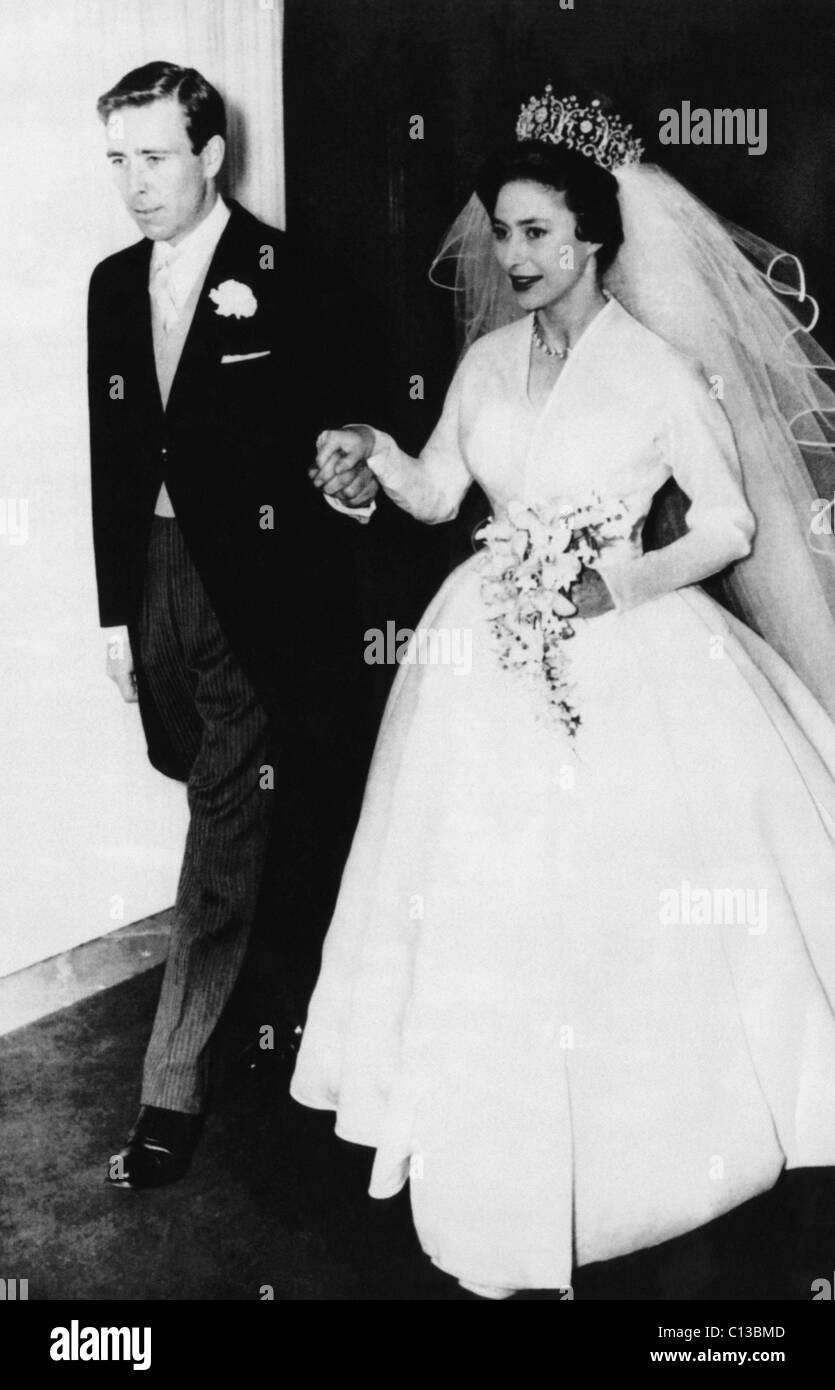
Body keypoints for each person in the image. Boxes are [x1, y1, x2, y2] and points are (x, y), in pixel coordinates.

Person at [293, 88, 835, 1297]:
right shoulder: (485, 361)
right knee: (482, 892)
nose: (511, 256)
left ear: (591, 235)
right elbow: (441, 495)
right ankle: (489, 1139)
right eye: (501, 230)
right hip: (482, 656)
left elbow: (733, 527)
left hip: (628, 654)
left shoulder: (656, 371)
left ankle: (643, 1143)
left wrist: (610, 586)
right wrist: (369, 454)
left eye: (536, 232)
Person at [88, 61, 377, 1189]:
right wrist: (116, 613)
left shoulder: (285, 270)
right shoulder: (113, 286)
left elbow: (351, 409)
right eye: (119, 160)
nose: (136, 184)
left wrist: (347, 455)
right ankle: (274, 988)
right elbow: (113, 456)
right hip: (154, 575)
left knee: (220, 823)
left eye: (156, 158)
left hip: (255, 588)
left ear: (211, 155)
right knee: (205, 781)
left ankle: (171, 1091)